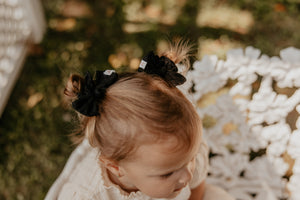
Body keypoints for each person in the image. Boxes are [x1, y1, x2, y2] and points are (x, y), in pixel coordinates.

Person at [45, 40, 235, 200]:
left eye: (190, 159)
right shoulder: (89, 194)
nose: (187, 175)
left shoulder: (183, 149)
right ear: (116, 168)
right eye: (167, 173)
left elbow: (196, 190)